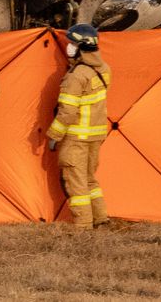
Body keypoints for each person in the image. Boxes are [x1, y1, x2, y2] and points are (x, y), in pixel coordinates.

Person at [47, 24, 111, 229]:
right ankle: (101, 218)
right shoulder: (104, 69)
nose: (69, 47)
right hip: (96, 135)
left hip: (76, 138)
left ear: (81, 47)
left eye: (72, 44)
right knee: (90, 179)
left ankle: (83, 225)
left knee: (75, 181)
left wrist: (54, 135)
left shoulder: (76, 76)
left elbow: (67, 112)